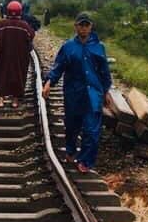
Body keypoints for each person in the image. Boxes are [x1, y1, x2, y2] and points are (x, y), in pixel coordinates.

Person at [41, 12, 114, 173]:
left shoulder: (98, 47)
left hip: (94, 94)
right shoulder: (68, 47)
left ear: (91, 27)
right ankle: (70, 150)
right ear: (76, 26)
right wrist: (49, 83)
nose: (83, 28)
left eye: (86, 25)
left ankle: (85, 161)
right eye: (81, 25)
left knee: (91, 130)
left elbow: (104, 72)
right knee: (72, 125)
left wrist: (107, 91)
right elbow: (58, 67)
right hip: (73, 93)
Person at [0, 0, 35, 108]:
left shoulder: (2, 24)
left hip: (4, 56)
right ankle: (15, 100)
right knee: (18, 76)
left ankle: (1, 99)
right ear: (20, 12)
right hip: (20, 57)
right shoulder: (24, 25)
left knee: (2, 75)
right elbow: (31, 36)